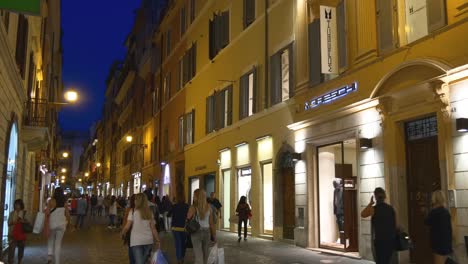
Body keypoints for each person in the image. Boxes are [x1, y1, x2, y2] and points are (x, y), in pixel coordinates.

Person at [121, 193, 161, 264]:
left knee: (140, 262)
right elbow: (153, 229)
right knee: (142, 261)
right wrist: (157, 240)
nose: (134, 201)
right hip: (148, 241)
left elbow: (127, 226)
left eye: (136, 199)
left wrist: (123, 233)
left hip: (136, 241)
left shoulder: (132, 212)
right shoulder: (149, 213)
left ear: (137, 201)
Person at [361, 187, 396, 264]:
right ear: (384, 197)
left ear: (375, 197)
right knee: (387, 260)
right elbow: (394, 224)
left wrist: (370, 203)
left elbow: (363, 214)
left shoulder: (374, 209)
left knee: (380, 260)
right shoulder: (390, 209)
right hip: (390, 239)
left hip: (379, 239)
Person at [187, 189, 216, 264]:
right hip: (207, 233)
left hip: (196, 232)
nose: (193, 197)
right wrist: (214, 237)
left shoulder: (193, 207)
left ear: (197, 197)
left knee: (198, 256)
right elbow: (211, 224)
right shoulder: (209, 207)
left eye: (194, 196)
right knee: (205, 256)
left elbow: (187, 219)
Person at [425, 190, 453, 264]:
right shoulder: (446, 212)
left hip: (438, 242)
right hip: (447, 241)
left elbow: (426, 222)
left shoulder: (434, 212)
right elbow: (449, 228)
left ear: (434, 199)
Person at [45, 187, 71, 264]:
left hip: (52, 224)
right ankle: (57, 262)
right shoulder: (64, 202)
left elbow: (47, 213)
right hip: (62, 225)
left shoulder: (51, 201)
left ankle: (49, 257)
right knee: (58, 243)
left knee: (50, 239)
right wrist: (69, 223)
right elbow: (68, 215)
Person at [171, 194, 189, 264]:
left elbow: (169, 214)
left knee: (178, 244)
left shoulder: (174, 206)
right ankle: (182, 257)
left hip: (175, 228)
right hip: (183, 228)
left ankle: (179, 259)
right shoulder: (187, 206)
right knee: (183, 244)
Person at [8, 199, 28, 264]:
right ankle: (11, 261)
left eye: (18, 205)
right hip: (13, 234)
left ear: (21, 205)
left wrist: (23, 221)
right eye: (16, 204)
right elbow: (8, 223)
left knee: (21, 250)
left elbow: (29, 222)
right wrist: (13, 222)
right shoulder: (12, 213)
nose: (17, 206)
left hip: (21, 234)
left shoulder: (24, 213)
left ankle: (19, 261)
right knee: (11, 250)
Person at [123, 195, 136, 264]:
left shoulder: (129, 210)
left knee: (131, 251)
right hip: (141, 236)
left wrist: (123, 232)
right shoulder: (144, 210)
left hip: (131, 233)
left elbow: (125, 222)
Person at [333, 178, 344, 243]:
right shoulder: (335, 191)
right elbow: (335, 200)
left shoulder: (342, 190)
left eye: (334, 184)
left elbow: (344, 201)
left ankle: (342, 239)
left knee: (342, 224)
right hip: (337, 210)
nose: (333, 185)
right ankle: (340, 238)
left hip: (342, 210)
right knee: (339, 224)